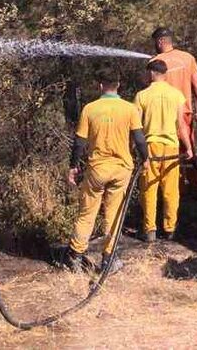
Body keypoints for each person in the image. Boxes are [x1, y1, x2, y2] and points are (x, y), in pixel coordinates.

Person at [67, 75, 147, 273]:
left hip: (97, 169)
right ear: (118, 85)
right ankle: (108, 260)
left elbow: (79, 142)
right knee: (114, 214)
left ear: (100, 85)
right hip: (121, 169)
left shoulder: (90, 108)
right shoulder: (130, 109)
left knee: (87, 213)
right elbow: (139, 138)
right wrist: (145, 158)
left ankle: (76, 257)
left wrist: (73, 166)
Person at [134, 59, 192, 242]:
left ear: (151, 73)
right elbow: (182, 125)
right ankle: (170, 228)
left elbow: (135, 127)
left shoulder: (141, 96)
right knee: (170, 190)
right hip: (171, 147)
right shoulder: (177, 95)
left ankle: (149, 229)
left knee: (149, 189)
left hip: (150, 148)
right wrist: (189, 148)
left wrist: (132, 149)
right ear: (164, 74)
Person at [149, 27, 197, 191]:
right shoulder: (188, 58)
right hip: (186, 113)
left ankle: (176, 190)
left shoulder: (155, 63)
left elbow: (150, 91)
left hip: (164, 116)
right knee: (189, 150)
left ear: (160, 41)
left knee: (170, 154)